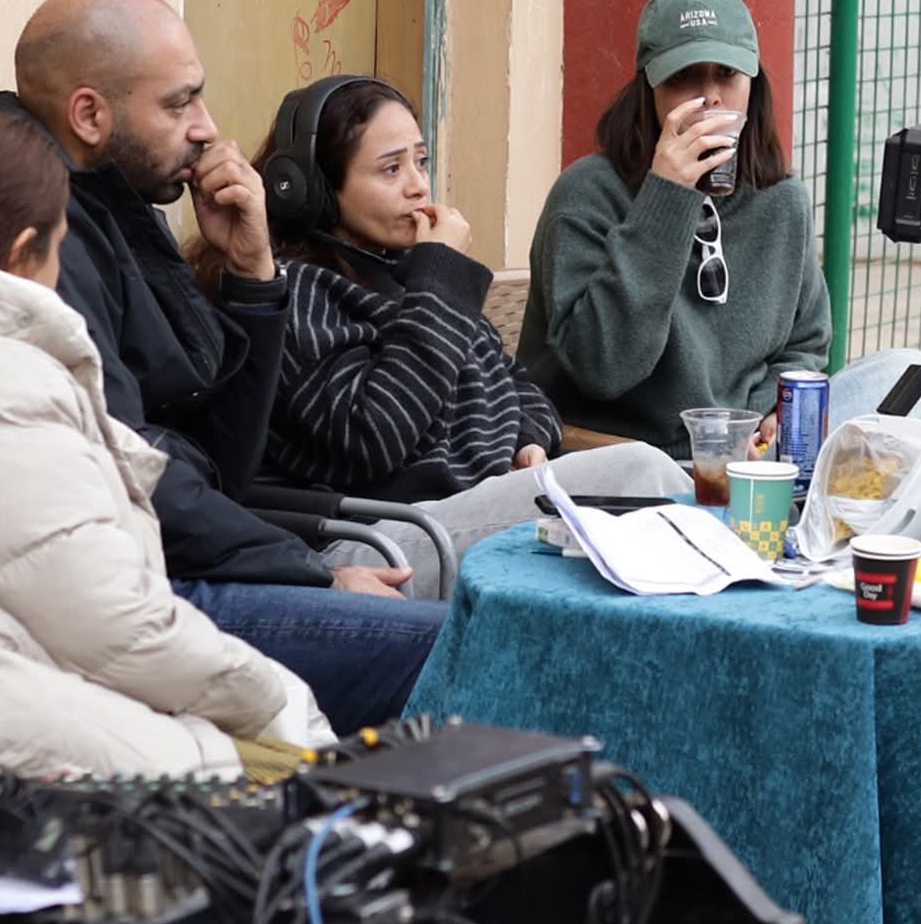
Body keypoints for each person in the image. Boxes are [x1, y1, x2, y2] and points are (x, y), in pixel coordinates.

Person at [0, 0, 446, 735]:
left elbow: (222, 459)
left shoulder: (115, 201)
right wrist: (312, 572)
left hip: (179, 561)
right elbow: (128, 470)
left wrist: (253, 276)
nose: (207, 128)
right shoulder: (33, 231)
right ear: (89, 114)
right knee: (466, 650)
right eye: (178, 103)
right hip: (125, 604)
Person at [0, 110, 333, 778]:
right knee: (312, 778)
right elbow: (110, 621)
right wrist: (277, 699)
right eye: (61, 247)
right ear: (25, 249)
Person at [186, 76, 692, 598]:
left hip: (474, 508)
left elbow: (521, 389)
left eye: (421, 162)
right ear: (315, 191)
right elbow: (373, 436)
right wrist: (443, 274)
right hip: (376, 538)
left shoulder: (408, 274)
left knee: (667, 500)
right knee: (645, 475)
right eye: (391, 169)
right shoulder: (299, 292)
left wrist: (528, 437)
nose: (417, 186)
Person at [518, 0, 921, 461]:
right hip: (635, 458)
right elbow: (603, 368)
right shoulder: (587, 194)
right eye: (684, 77)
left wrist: (775, 408)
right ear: (649, 89)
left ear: (753, 85)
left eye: (727, 75)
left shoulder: (781, 201)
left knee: (917, 378)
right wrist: (666, 200)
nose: (710, 98)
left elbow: (806, 342)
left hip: (752, 451)